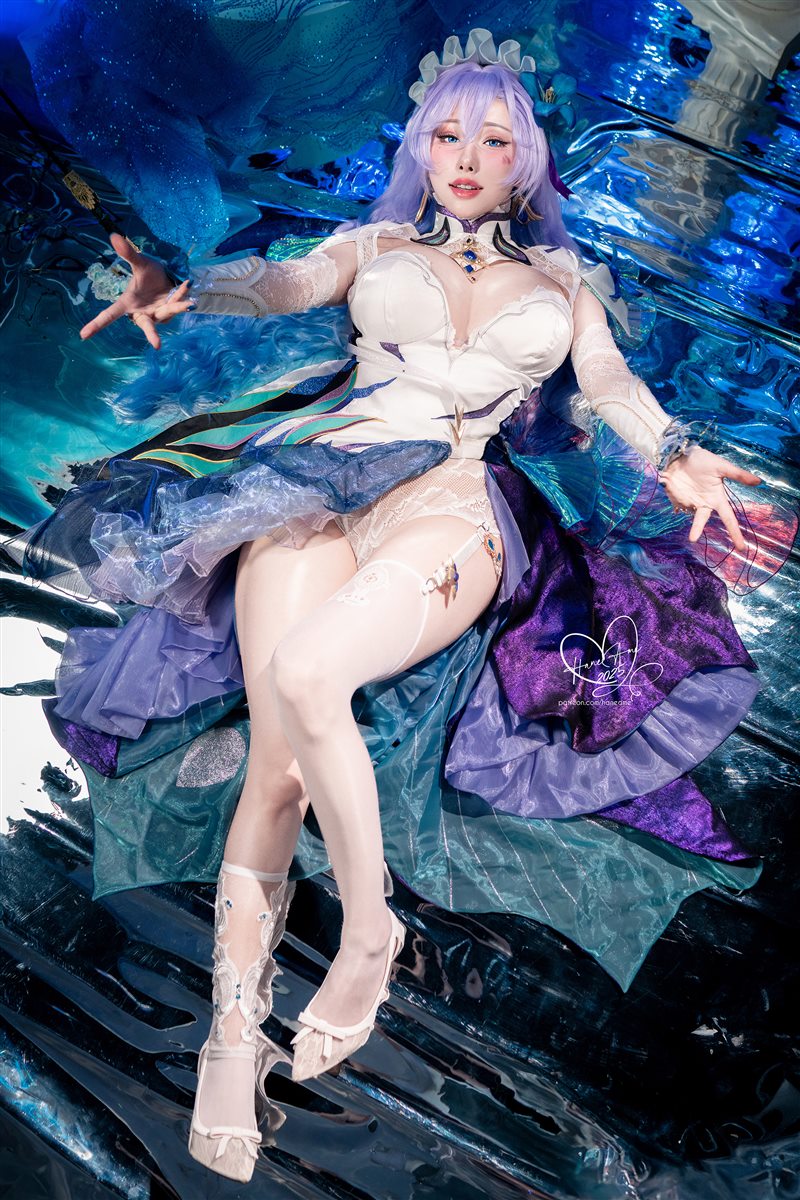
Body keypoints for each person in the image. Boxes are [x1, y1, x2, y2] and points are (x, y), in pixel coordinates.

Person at [12, 29, 794, 1185]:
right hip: (315, 480)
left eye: (493, 138)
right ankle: (232, 1039)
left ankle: (367, 930)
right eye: (446, 134)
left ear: (525, 160)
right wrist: (184, 288)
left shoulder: (568, 284)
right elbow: (278, 283)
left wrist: (673, 452)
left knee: (309, 675)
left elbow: (611, 383)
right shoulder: (369, 245)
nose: (466, 155)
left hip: (452, 502)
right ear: (420, 148)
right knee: (275, 767)